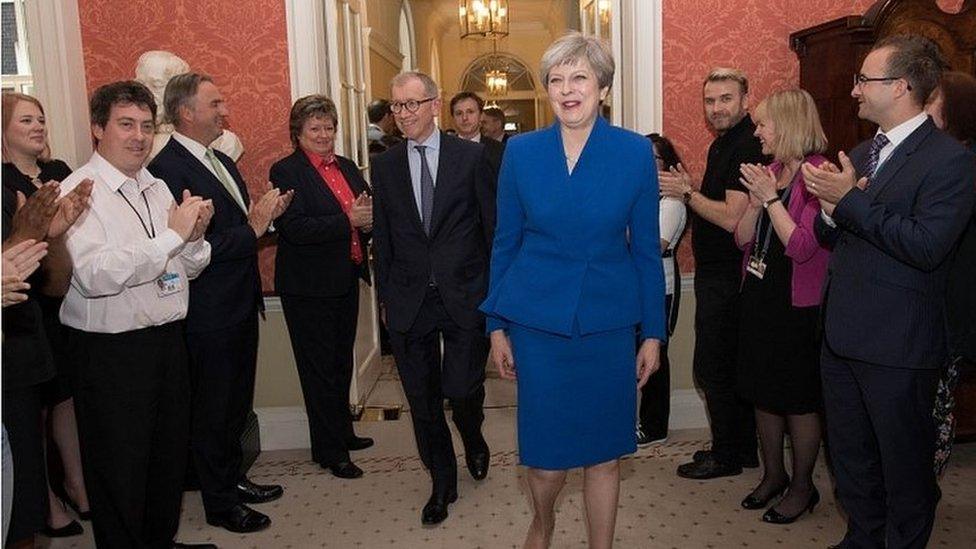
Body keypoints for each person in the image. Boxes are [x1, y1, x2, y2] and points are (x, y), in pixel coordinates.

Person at [481, 32, 665, 549]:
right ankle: (543, 521)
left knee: (604, 455)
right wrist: (496, 326)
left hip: (607, 324)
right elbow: (505, 243)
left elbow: (647, 251)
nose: (567, 89)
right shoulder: (521, 152)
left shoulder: (633, 153)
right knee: (544, 461)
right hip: (536, 322)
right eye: (556, 79)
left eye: (579, 77)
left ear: (602, 87)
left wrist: (652, 333)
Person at [802, 35, 974, 549]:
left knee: (905, 471)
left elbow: (926, 246)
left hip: (899, 346)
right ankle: (862, 538)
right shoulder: (861, 152)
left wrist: (847, 205)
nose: (854, 90)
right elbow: (838, 236)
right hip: (843, 336)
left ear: (900, 87)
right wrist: (832, 212)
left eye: (864, 80)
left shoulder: (950, 161)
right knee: (852, 460)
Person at [58, 80, 216, 549]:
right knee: (119, 472)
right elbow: (96, 275)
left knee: (165, 461)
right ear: (97, 129)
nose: (139, 136)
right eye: (126, 125)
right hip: (111, 354)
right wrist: (171, 238)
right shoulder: (78, 192)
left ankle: (160, 541)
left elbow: (185, 265)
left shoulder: (156, 185)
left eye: (147, 126)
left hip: (166, 342)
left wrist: (192, 238)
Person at [148, 72, 291, 533]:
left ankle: (233, 478)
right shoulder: (169, 168)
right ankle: (220, 503)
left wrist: (265, 220)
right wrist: (253, 227)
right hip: (206, 309)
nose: (223, 110)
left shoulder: (220, 161)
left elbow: (240, 228)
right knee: (212, 408)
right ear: (186, 112)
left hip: (238, 302)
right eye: (215, 103)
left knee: (234, 404)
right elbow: (192, 246)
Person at [371, 71, 495, 526]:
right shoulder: (384, 166)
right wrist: (385, 297)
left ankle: (474, 437)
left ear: (434, 105)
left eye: (412, 104)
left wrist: (495, 294)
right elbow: (382, 239)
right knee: (422, 402)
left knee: (462, 390)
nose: (403, 114)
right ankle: (442, 482)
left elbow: (491, 229)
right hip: (408, 300)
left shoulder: (472, 158)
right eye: (397, 106)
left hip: (465, 294)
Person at [660, 68, 765, 479]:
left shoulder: (745, 145)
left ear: (744, 99)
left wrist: (686, 192)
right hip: (716, 275)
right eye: (710, 100)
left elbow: (732, 219)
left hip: (729, 277)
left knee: (714, 367)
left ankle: (729, 454)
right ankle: (738, 449)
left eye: (725, 99)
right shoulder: (725, 143)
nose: (716, 107)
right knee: (721, 366)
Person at [732, 89, 830, 524]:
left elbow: (804, 246)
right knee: (762, 391)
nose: (757, 132)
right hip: (759, 292)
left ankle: (803, 487)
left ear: (788, 124)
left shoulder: (818, 175)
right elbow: (741, 239)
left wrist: (771, 200)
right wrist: (756, 203)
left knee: (797, 400)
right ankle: (773, 475)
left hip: (797, 305)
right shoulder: (769, 172)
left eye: (763, 124)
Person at [2, 92, 93, 539]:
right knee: (28, 411)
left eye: (41, 118)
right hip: (20, 309)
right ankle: (44, 501)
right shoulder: (3, 184)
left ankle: (77, 484)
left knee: (66, 395)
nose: (37, 126)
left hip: (65, 299)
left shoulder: (59, 175)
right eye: (25, 120)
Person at [271, 95, 374, 480]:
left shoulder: (346, 166)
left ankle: (342, 433)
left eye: (329, 127)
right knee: (319, 371)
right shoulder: (286, 171)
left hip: (346, 278)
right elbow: (293, 229)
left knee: (340, 362)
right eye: (315, 128)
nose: (324, 135)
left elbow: (367, 210)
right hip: (308, 287)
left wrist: (366, 222)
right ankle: (330, 452)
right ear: (298, 133)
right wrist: (347, 219)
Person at [924, 71, 976, 476]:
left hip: (951, 310)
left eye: (931, 102)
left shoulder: (964, 167)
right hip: (928, 307)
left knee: (935, 411)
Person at [636, 133, 686, 446]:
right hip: (636, 287)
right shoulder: (641, 199)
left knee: (657, 357)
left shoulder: (672, 203)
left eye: (654, 159)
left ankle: (655, 428)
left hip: (661, 288)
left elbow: (655, 246)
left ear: (666, 165)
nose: (648, 166)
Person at [450, 91, 505, 175]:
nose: (464, 118)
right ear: (453, 118)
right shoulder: (445, 149)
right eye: (459, 113)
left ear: (481, 116)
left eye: (470, 112)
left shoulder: (499, 150)